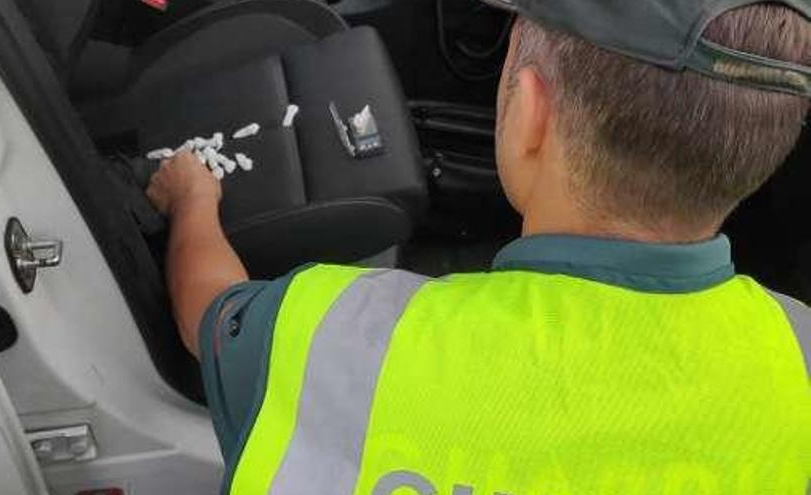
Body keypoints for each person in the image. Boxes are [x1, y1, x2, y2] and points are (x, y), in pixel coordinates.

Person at [146, 0, 811, 493]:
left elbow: (209, 311)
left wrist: (194, 199)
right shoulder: (800, 353)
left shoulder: (344, 336)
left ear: (527, 115)